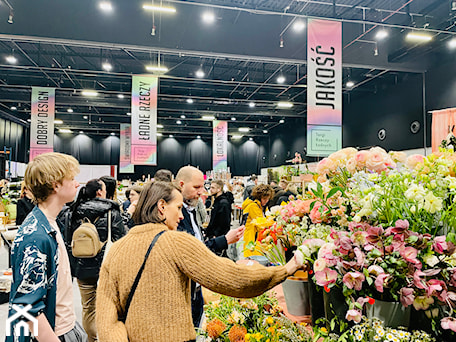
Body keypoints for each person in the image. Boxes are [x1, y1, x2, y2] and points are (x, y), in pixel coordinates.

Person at [96, 181, 302, 342]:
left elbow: (106, 319)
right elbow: (232, 278)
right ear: (161, 207)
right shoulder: (176, 242)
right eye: (178, 208)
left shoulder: (116, 250)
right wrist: (286, 269)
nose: (180, 216)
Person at [6, 152, 88, 342]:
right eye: (72, 178)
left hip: (65, 324)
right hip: (54, 332)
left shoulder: (49, 224)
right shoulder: (36, 236)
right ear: (55, 185)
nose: (77, 183)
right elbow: (26, 308)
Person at [175, 166, 245, 327]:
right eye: (196, 187)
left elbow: (198, 246)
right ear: (181, 184)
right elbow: (191, 253)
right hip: (185, 290)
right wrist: (224, 240)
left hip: (196, 288)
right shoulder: (178, 215)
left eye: (204, 187)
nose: (201, 192)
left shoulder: (190, 210)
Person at [70, 179, 127, 342]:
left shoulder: (75, 210)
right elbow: (120, 239)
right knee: (110, 307)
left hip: (82, 267)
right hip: (107, 267)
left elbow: (69, 240)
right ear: (100, 192)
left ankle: (92, 339)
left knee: (88, 307)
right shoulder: (112, 212)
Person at [242, 184, 274, 257]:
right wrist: (272, 221)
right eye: (264, 199)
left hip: (256, 239)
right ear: (259, 197)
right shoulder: (253, 206)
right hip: (252, 239)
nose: (266, 201)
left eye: (268, 199)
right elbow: (260, 225)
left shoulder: (261, 206)